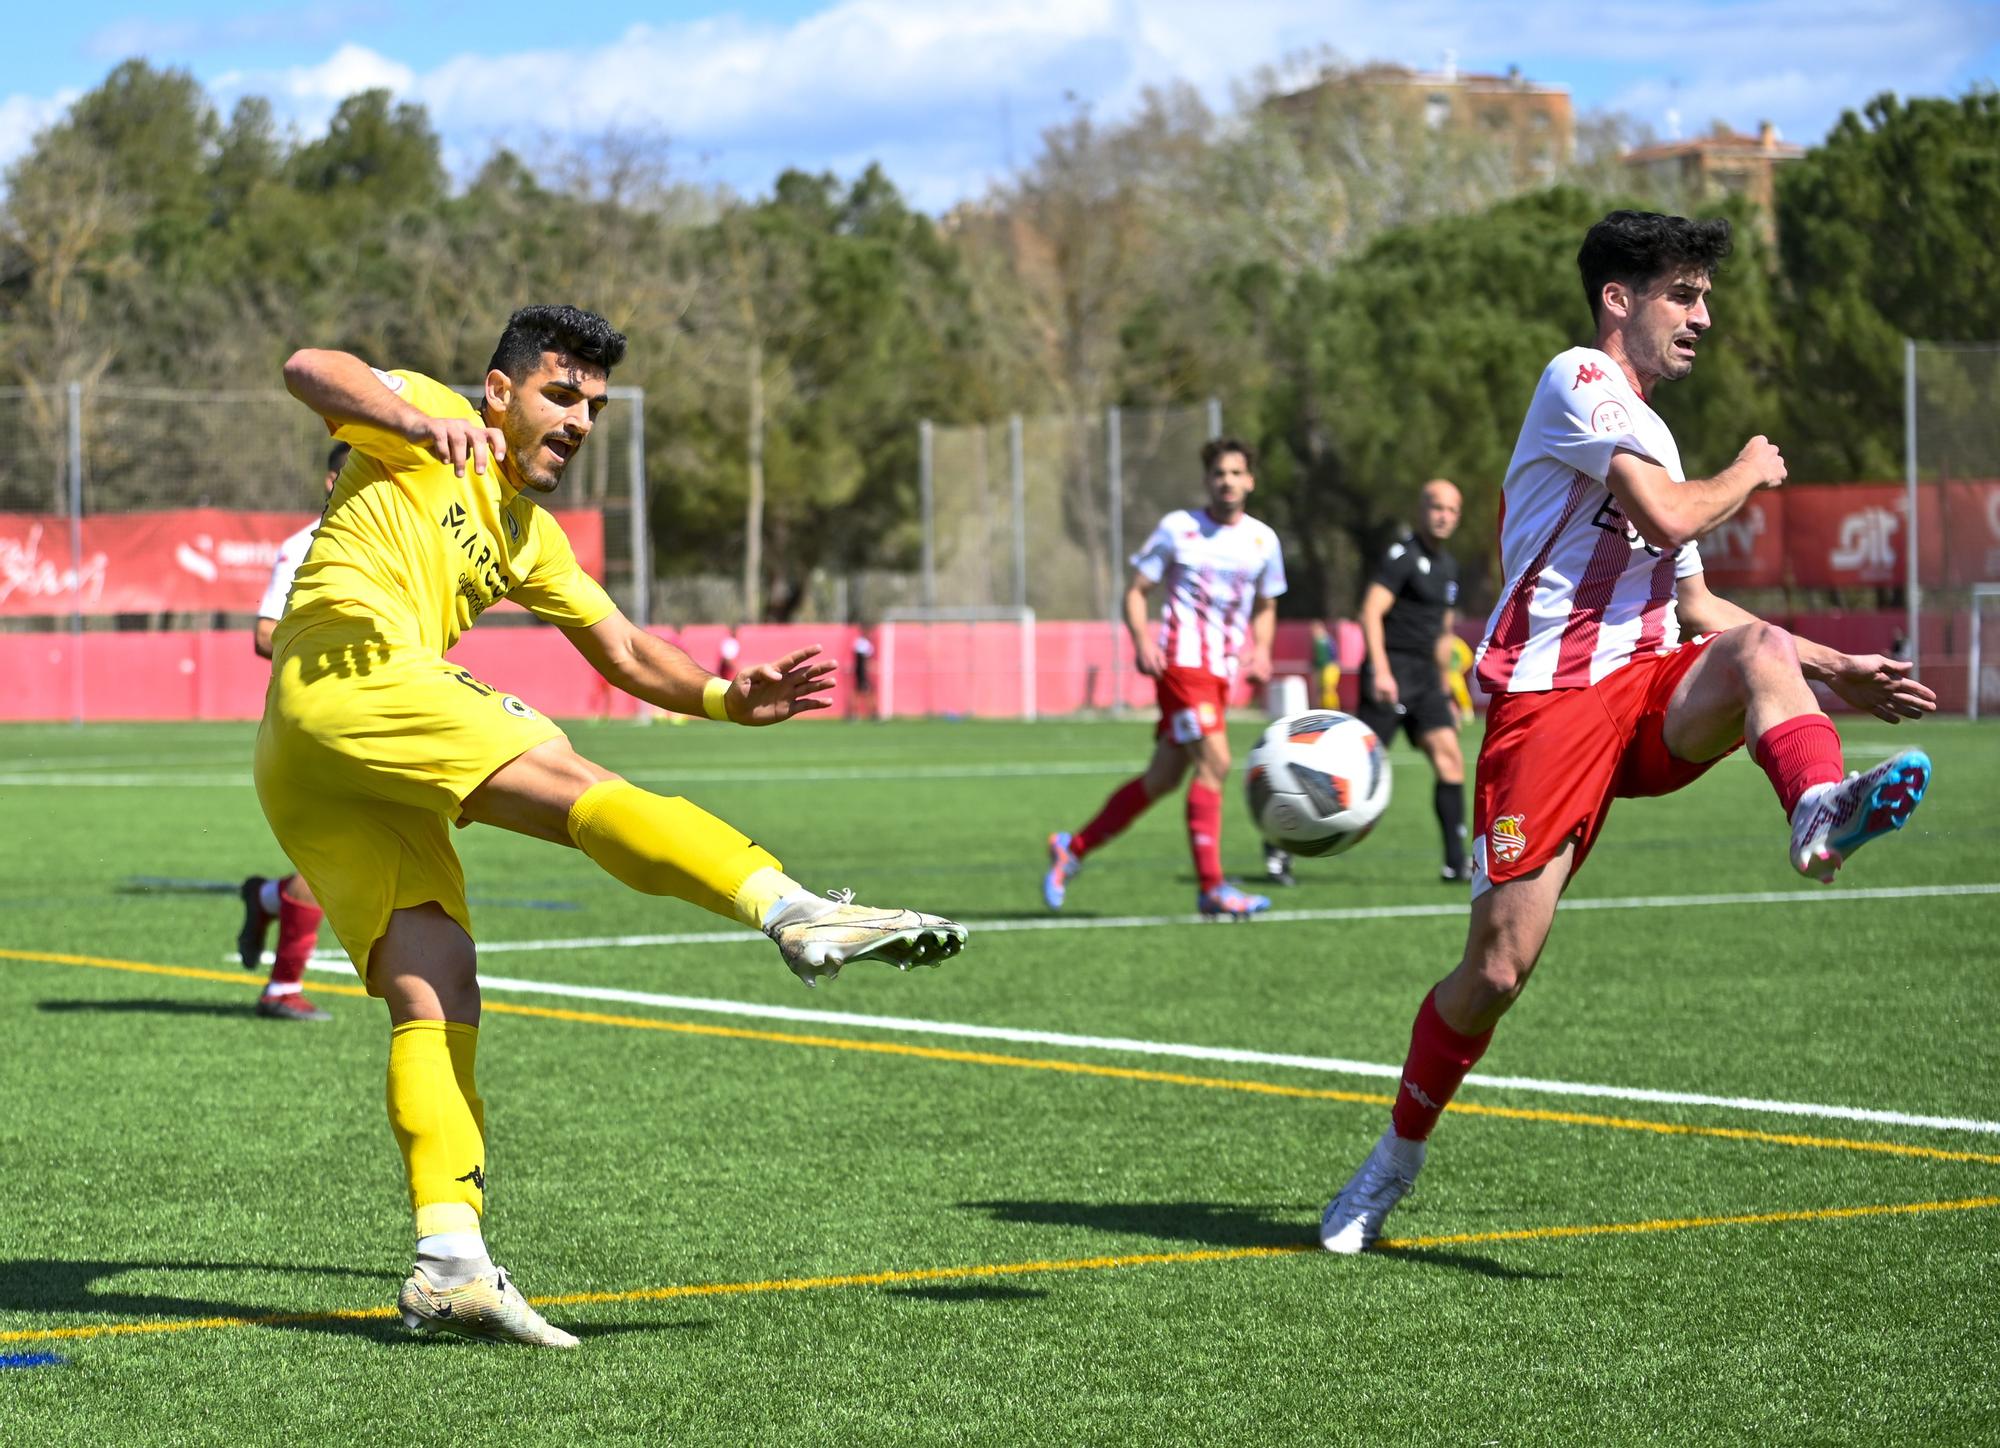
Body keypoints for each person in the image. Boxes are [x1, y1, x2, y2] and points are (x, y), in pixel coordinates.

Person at [258, 304, 967, 1347]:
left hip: (308, 761)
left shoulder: (526, 535)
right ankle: (791, 908)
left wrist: (727, 696)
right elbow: (308, 365)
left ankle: (448, 1260)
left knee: (437, 976)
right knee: (566, 773)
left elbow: (630, 654)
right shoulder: (428, 416)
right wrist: (414, 423)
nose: (580, 418)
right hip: (352, 680)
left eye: (593, 404)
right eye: (560, 393)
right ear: (497, 391)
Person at [1320, 212, 1935, 1254]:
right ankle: (1395, 1154)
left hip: (1643, 693)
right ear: (1618, 298)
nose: (1700, 317)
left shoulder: (1654, 431)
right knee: (1497, 970)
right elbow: (1668, 517)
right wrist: (1749, 468)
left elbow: (1698, 610)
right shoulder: (1574, 380)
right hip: (1546, 708)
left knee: (1762, 652)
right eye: (1681, 295)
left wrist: (1838, 671)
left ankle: (1815, 808)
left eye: (1703, 297)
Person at [1043, 437, 1286, 919]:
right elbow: (1136, 591)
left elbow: (1266, 603)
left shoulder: (1264, 540)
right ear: (1207, 481)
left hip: (1220, 673)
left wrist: (1261, 650)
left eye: (1237, 473)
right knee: (1215, 762)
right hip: (1181, 664)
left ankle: (1073, 847)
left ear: (1250, 481)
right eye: (1219, 473)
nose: (1228, 481)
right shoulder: (1179, 529)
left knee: (1163, 778)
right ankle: (1212, 888)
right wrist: (1141, 641)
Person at [234, 441, 346, 1021]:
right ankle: (281, 987)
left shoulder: (396, 541)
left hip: (374, 719)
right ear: (333, 482)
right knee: (332, 852)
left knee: (353, 850)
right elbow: (262, 632)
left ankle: (267, 898)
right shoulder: (303, 546)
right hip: (315, 720)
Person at [1354, 478, 1472, 884]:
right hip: (1392, 671)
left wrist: (1447, 689)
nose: (1444, 516)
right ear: (1421, 511)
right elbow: (1370, 613)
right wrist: (1381, 670)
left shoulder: (1449, 568)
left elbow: (1443, 635)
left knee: (1450, 757)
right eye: (1436, 507)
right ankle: (1281, 845)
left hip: (1426, 678)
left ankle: (1456, 861)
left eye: (1452, 510)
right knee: (1356, 767)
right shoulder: (1401, 556)